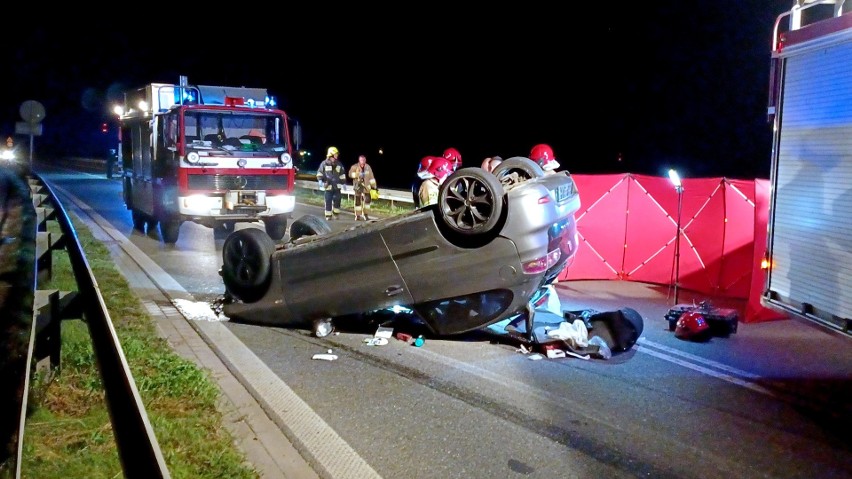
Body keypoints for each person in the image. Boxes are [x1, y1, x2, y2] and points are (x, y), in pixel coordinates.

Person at [316, 146, 346, 220]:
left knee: (337, 200)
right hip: (328, 186)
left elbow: (342, 174)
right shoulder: (324, 164)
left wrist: (344, 183)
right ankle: (328, 215)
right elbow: (320, 173)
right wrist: (320, 181)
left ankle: (336, 214)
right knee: (328, 201)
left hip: (337, 187)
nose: (337, 155)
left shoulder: (339, 164)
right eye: (336, 154)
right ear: (331, 154)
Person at [348, 154, 377, 221]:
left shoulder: (368, 167)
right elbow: (350, 174)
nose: (363, 161)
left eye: (364, 160)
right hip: (358, 186)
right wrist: (357, 174)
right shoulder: (354, 167)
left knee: (367, 200)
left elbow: (371, 177)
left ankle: (366, 215)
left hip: (366, 187)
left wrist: (374, 186)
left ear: (365, 160)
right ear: (359, 160)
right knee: (358, 201)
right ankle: (357, 215)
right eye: (361, 160)